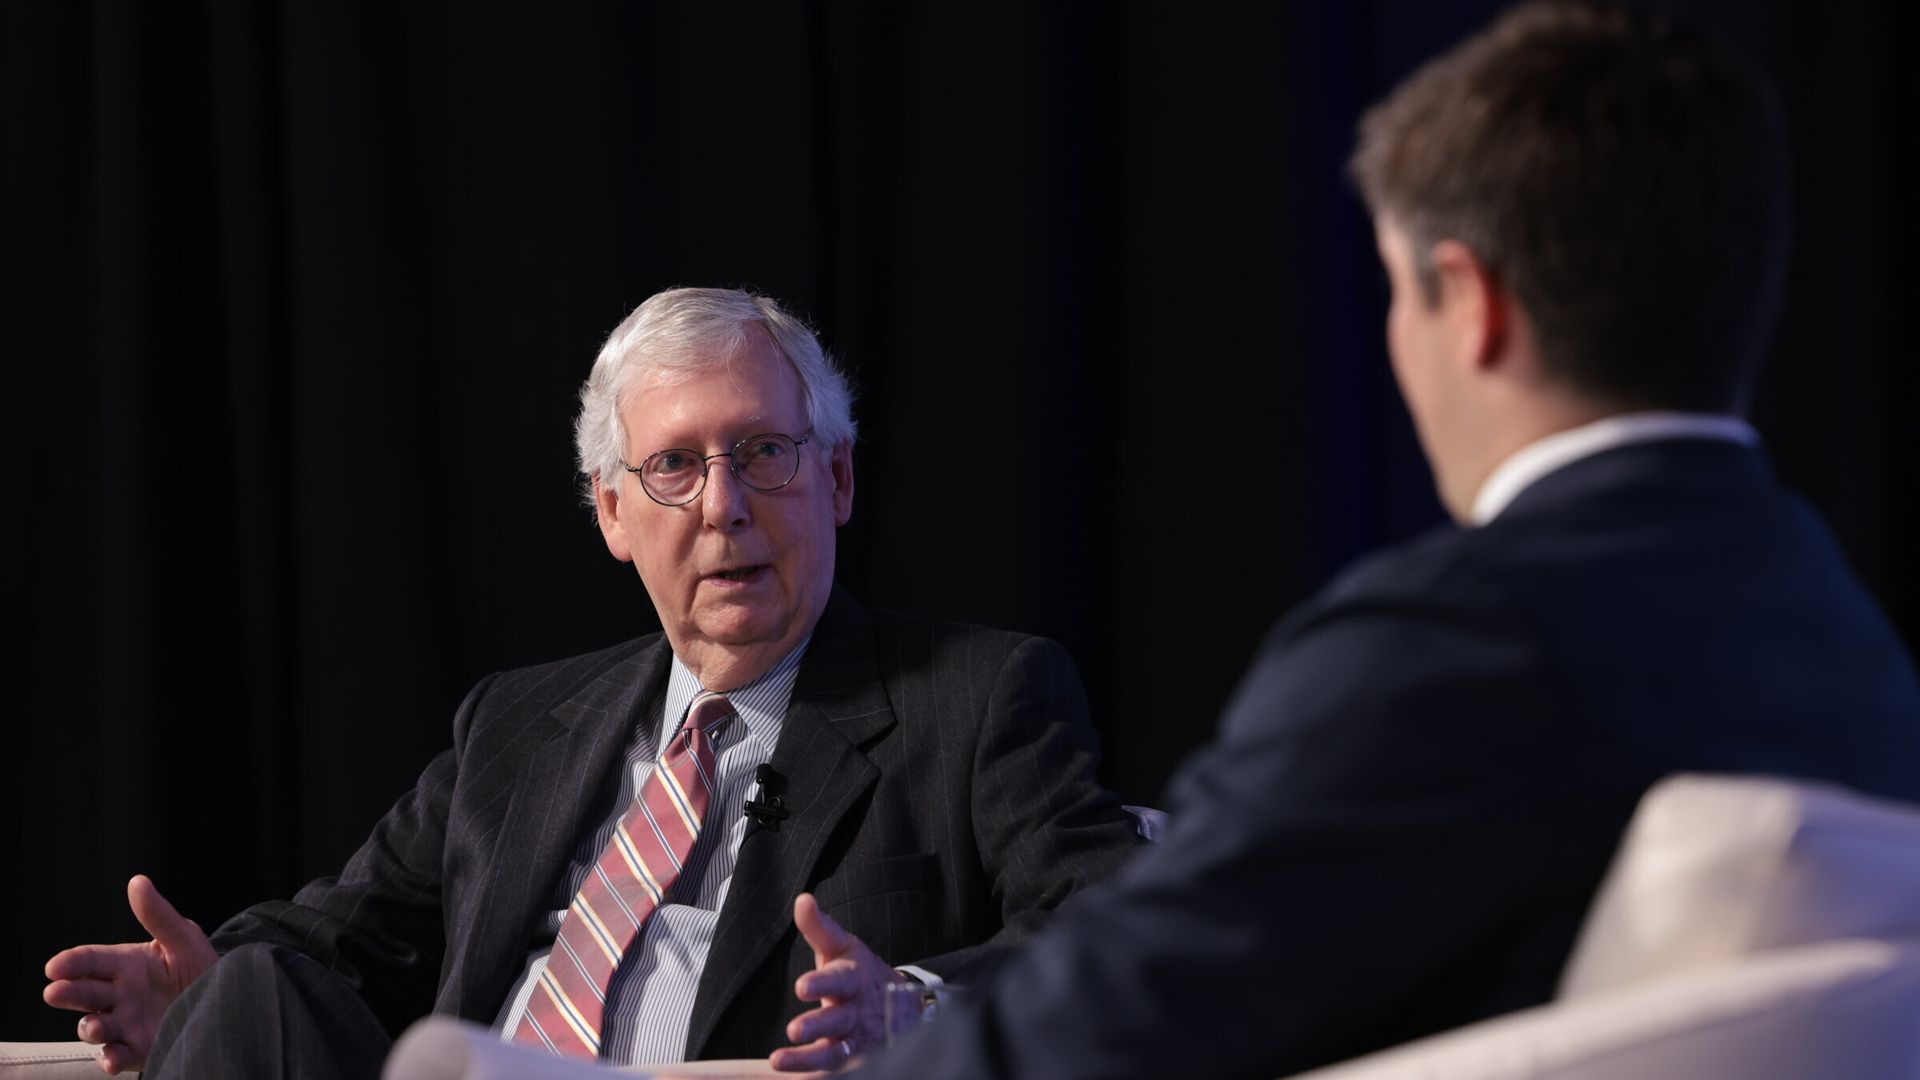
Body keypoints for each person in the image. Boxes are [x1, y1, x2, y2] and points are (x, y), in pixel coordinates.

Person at [845, 4, 1920, 1079]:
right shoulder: (1846, 635)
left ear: (1476, 305)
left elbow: (1083, 1034)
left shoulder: (1452, 643)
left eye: (1399, 293)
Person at [43, 287, 1145, 1077]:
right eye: (674, 466)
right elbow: (335, 937)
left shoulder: (980, 697)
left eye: (765, 453)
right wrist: (191, 995)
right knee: (252, 989)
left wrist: (909, 1010)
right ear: (611, 513)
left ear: (838, 478)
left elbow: (1113, 928)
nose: (723, 506)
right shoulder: (519, 725)